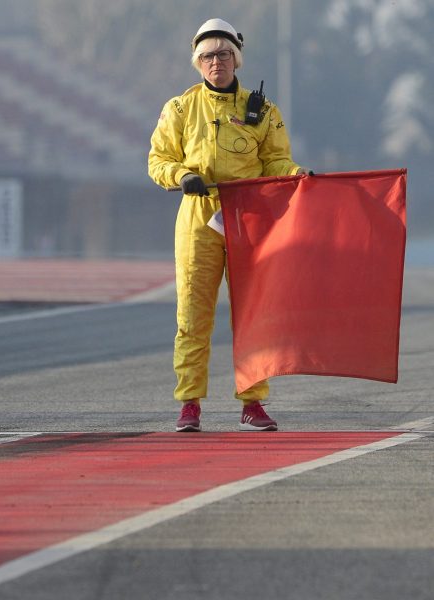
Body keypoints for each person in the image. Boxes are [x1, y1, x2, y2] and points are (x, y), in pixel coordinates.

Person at [147, 18, 306, 432]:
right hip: (198, 218)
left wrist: (295, 174)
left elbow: (276, 160)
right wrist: (182, 175)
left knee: (254, 315)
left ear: (236, 59)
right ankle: (189, 405)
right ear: (197, 63)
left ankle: (252, 403)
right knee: (192, 316)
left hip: (248, 217)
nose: (215, 62)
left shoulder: (262, 110)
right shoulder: (179, 108)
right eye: (206, 57)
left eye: (222, 54)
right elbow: (158, 160)